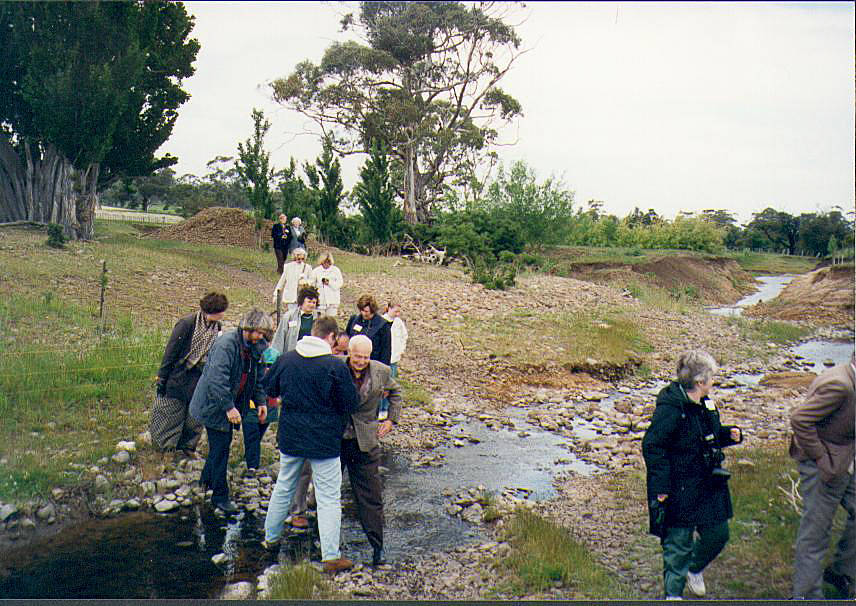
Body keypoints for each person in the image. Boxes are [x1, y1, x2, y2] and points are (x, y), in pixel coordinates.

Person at [262, 316, 360, 574]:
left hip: (291, 435)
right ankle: (330, 556)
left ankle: (269, 539)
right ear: (331, 337)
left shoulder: (286, 359)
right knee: (328, 497)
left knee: (284, 486)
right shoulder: (334, 366)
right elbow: (351, 403)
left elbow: (269, 388)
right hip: (325, 440)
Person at [642, 350, 742, 600]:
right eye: (712, 378)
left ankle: (694, 570)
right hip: (679, 487)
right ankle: (673, 595)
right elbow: (653, 446)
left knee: (719, 534)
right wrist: (661, 486)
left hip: (709, 482)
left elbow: (708, 436)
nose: (713, 382)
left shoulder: (707, 403)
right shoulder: (671, 408)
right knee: (678, 545)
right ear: (700, 382)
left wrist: (727, 435)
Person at [189, 309, 272, 514]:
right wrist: (229, 407)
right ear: (248, 328)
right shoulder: (226, 345)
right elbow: (217, 380)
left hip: (231, 402)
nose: (261, 336)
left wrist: (260, 401)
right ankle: (220, 496)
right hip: (213, 404)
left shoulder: (256, 346)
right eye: (259, 332)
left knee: (220, 445)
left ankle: (205, 481)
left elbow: (257, 377)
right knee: (221, 447)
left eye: (264, 332)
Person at [790, 353, 855, 599]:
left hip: (844, 460)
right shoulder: (841, 385)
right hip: (822, 465)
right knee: (816, 532)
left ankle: (841, 572)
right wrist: (822, 460)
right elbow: (800, 419)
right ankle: (806, 595)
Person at [339, 334, 402, 567]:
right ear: (349, 353)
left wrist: (391, 420)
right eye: (357, 356)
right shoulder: (335, 366)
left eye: (365, 357)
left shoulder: (381, 371)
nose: (361, 361)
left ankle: (378, 548)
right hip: (335, 440)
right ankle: (324, 545)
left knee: (371, 497)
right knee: (326, 495)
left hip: (365, 443)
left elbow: (396, 393)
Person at [269, 285, 321, 529]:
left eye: (314, 301)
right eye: (308, 301)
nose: (311, 305)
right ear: (301, 302)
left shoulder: (321, 321)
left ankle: (309, 502)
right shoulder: (290, 319)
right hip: (293, 370)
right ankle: (293, 510)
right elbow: (279, 344)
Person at [151, 292, 228, 455]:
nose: (223, 314)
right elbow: (171, 352)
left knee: (194, 413)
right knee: (172, 410)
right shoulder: (187, 324)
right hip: (180, 373)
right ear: (212, 310)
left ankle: (187, 447)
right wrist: (162, 376)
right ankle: (167, 447)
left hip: (199, 376)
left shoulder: (217, 327)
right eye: (221, 311)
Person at [379, 302, 408, 421]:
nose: (397, 314)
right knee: (381, 385)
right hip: (384, 359)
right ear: (389, 309)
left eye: (399, 312)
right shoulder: (381, 321)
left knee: (391, 384)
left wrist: (401, 349)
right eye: (395, 311)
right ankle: (379, 409)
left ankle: (387, 409)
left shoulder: (398, 322)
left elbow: (404, 336)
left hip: (394, 358)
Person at [271, 286, 320, 354]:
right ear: (302, 301)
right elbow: (280, 337)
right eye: (309, 302)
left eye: (314, 302)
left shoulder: (319, 318)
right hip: (292, 354)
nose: (311, 305)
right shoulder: (289, 316)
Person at [345, 294, 392, 366]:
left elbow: (386, 352)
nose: (363, 313)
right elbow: (346, 339)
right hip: (352, 362)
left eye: (366, 311)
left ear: (373, 310)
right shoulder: (354, 319)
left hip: (372, 363)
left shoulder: (383, 326)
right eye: (361, 310)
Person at [273, 248, 312, 313]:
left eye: (302, 259)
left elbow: (311, 282)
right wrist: (275, 295)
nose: (300, 260)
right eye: (298, 259)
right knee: (292, 315)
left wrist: (305, 281)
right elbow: (281, 281)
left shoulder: (308, 268)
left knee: (302, 315)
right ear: (295, 257)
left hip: (303, 296)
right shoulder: (288, 267)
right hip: (291, 296)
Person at [311, 251, 344, 318]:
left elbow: (340, 283)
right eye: (325, 262)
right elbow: (312, 284)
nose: (326, 264)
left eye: (328, 262)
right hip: (320, 301)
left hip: (332, 300)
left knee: (330, 321)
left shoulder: (336, 270)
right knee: (319, 321)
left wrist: (329, 283)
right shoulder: (316, 271)